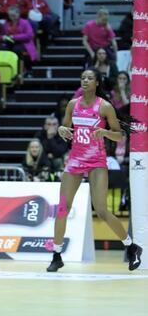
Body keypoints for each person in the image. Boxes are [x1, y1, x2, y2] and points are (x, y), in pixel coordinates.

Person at [47, 68, 142, 272]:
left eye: (90, 78)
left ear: (97, 83)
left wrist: (105, 132)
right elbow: (66, 130)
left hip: (97, 161)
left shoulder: (105, 107)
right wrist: (62, 130)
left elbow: (119, 136)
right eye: (83, 78)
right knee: (62, 207)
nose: (85, 81)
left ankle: (131, 247)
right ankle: (56, 255)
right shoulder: (73, 104)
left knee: (101, 209)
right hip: (75, 160)